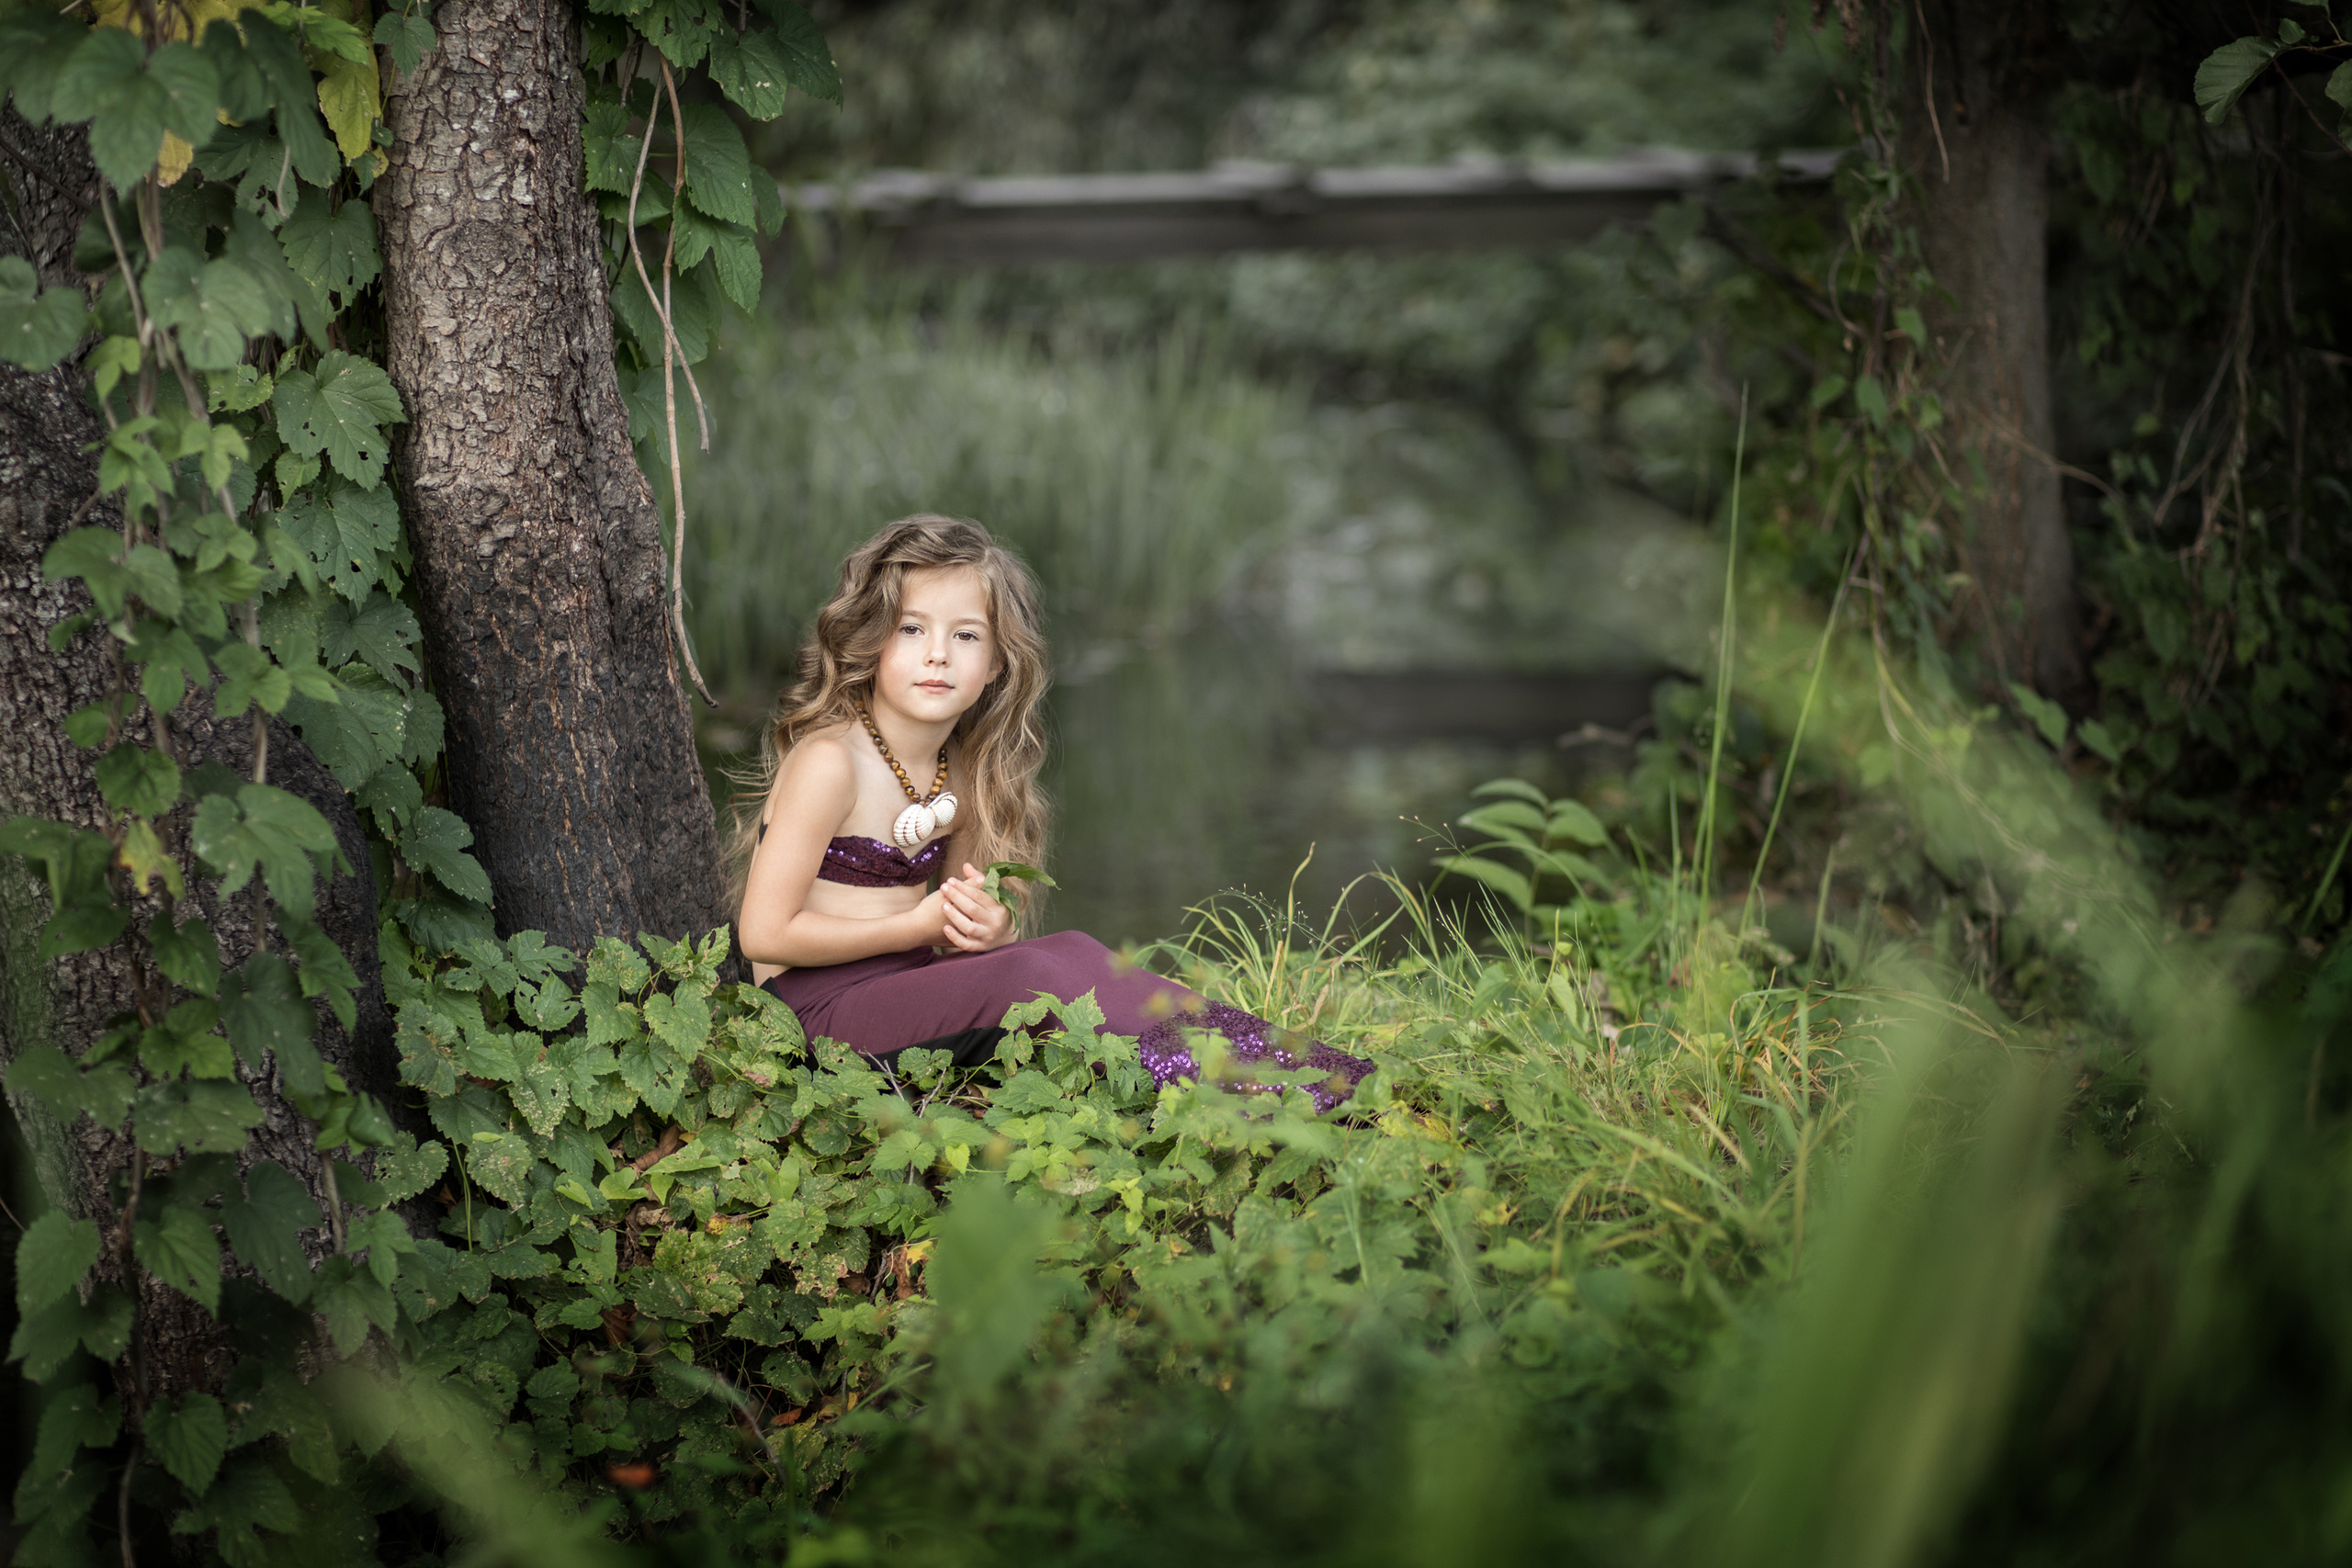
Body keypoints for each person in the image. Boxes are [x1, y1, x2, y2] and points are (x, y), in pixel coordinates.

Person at [730, 514, 1373, 1111]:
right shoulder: (830, 762)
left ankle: (1311, 1071)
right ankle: (1257, 1092)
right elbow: (763, 935)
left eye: (965, 635)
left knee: (1070, 949)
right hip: (814, 1016)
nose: (937, 654)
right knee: (1030, 975)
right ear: (870, 639)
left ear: (996, 663)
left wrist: (988, 928)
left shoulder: (961, 769)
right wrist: (917, 928)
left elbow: (961, 922)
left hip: (902, 985)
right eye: (911, 628)